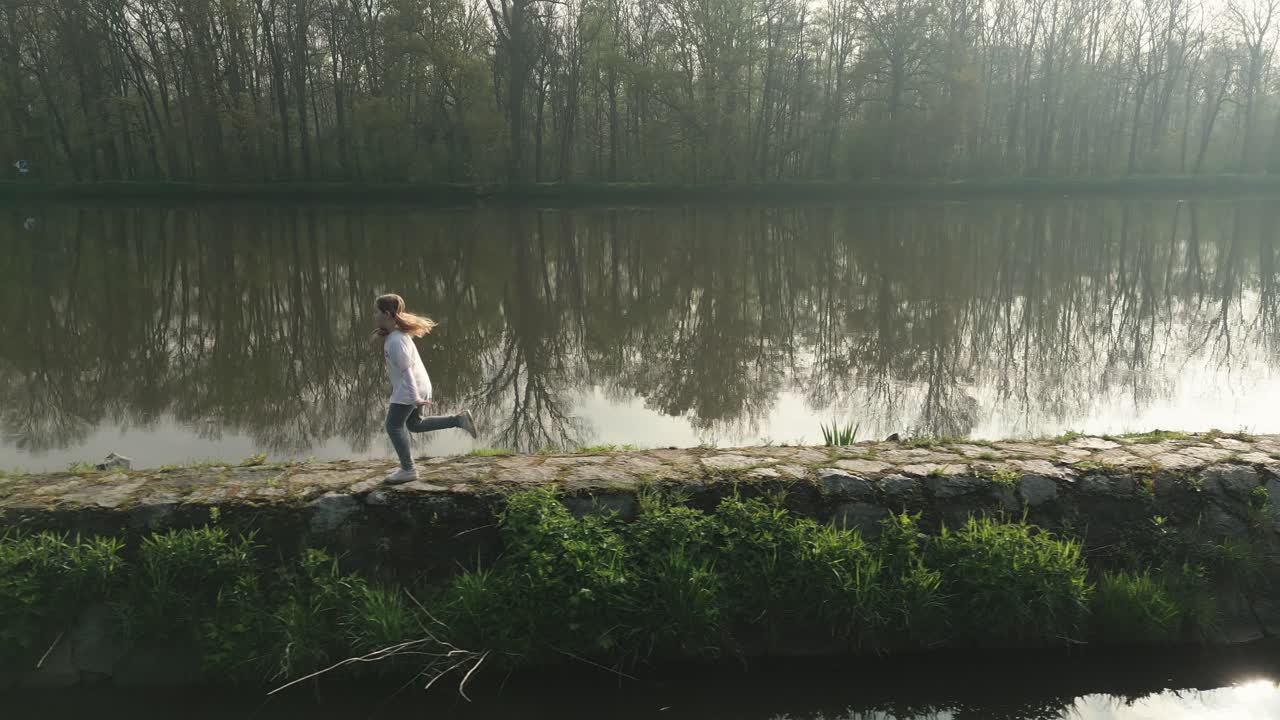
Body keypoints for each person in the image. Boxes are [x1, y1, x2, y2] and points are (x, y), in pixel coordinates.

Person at [372, 293, 477, 484]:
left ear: (387, 314)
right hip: (418, 387)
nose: (375, 316)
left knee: (393, 426)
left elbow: (407, 373)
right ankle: (459, 420)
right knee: (414, 424)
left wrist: (415, 398)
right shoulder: (395, 336)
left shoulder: (396, 341)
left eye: (377, 312)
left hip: (410, 389)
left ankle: (408, 469)